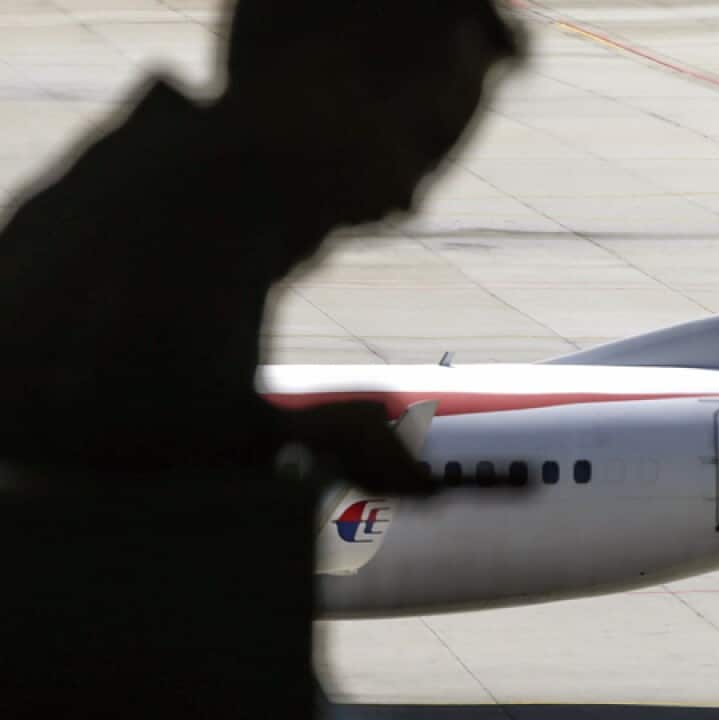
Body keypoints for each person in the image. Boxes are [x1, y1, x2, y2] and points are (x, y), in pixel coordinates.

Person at [0, 2, 522, 718]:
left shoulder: (148, 204)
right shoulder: (185, 239)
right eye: (421, 141)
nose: (408, 199)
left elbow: (114, 420)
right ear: (323, 85)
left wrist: (283, 431)